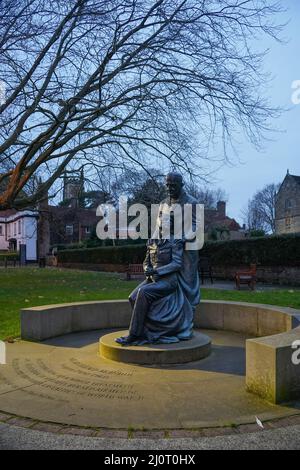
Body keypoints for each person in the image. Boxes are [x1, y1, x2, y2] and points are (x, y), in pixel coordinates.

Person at [116, 172, 200, 345]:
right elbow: (159, 225)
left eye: (173, 185)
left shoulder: (191, 202)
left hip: (185, 251)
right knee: (142, 293)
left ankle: (182, 324)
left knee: (186, 290)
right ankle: (151, 329)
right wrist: (153, 241)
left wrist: (182, 238)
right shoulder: (163, 203)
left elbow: (195, 226)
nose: (169, 188)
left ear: (181, 184)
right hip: (166, 247)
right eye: (167, 185)